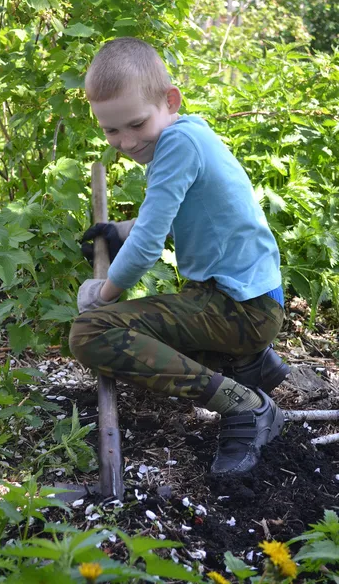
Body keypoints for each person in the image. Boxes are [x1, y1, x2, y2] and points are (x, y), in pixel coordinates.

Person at [69, 37, 290, 476]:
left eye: (135, 124)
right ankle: (243, 362)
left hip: (239, 308)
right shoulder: (187, 135)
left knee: (92, 332)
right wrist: (118, 233)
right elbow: (174, 216)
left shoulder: (175, 145)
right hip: (249, 301)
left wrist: (105, 293)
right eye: (111, 130)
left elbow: (151, 243)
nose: (126, 142)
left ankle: (245, 404)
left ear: (170, 101)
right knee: (139, 339)